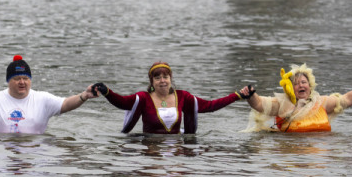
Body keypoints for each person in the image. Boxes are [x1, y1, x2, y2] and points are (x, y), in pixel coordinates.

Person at [92, 61, 245, 134]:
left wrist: (237, 95)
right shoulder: (143, 98)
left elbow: (210, 105)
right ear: (152, 81)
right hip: (150, 147)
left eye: (165, 77)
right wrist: (107, 92)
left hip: (177, 148)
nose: (162, 81)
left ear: (171, 79)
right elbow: (122, 102)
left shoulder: (183, 97)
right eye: (157, 78)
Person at [239, 63, 352, 132]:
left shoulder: (321, 102)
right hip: (290, 152)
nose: (301, 85)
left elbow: (347, 99)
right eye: (296, 84)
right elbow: (259, 104)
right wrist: (251, 94)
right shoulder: (282, 104)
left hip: (318, 155)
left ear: (310, 85)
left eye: (303, 82)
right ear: (289, 88)